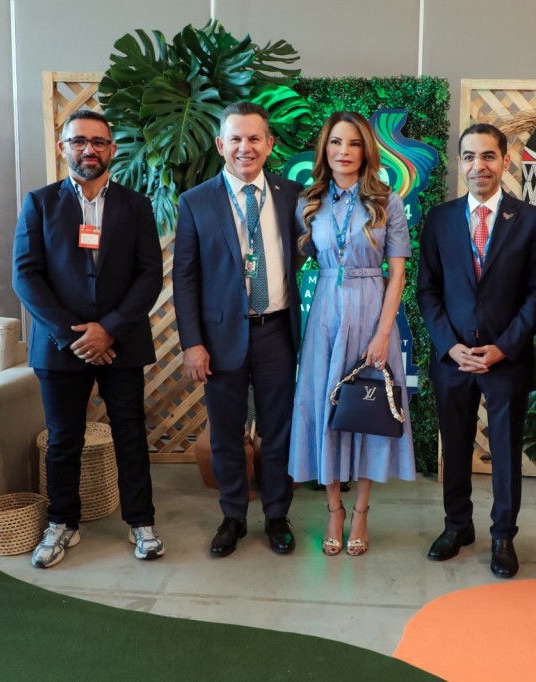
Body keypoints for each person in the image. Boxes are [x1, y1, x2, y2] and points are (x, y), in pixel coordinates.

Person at [13, 110, 164, 568]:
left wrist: (108, 329)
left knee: (131, 435)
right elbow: (25, 275)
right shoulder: (40, 203)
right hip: (60, 346)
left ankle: (141, 522)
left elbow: (149, 275)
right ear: (64, 147)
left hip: (121, 343)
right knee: (63, 439)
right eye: (79, 141)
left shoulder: (135, 205)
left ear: (112, 149)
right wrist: (71, 334)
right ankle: (62, 523)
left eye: (98, 142)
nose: (89, 149)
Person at [417, 123, 536, 579]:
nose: (479, 165)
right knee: (455, 447)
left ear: (505, 161)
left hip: (505, 359)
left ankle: (503, 535)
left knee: (506, 451)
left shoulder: (531, 221)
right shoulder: (440, 219)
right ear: (461, 163)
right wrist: (449, 346)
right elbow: (427, 290)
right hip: (453, 358)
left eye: (489, 156)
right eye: (470, 156)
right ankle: (457, 526)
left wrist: (505, 347)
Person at [172, 102, 303, 558]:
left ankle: (277, 515)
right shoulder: (196, 201)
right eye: (235, 139)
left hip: (277, 331)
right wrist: (192, 343)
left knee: (279, 430)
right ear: (220, 144)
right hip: (220, 337)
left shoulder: (291, 194)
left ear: (269, 144)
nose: (244, 147)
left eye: (254, 138)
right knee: (227, 433)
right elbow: (184, 278)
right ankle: (233, 517)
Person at [289, 112, 416, 557]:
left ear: (366, 151)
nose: (344, 151)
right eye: (336, 143)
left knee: (368, 409)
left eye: (354, 143)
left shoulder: (387, 202)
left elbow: (397, 275)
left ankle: (361, 510)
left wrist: (383, 334)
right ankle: (333, 510)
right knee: (325, 407)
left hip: (371, 310)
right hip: (325, 312)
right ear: (325, 149)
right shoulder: (309, 201)